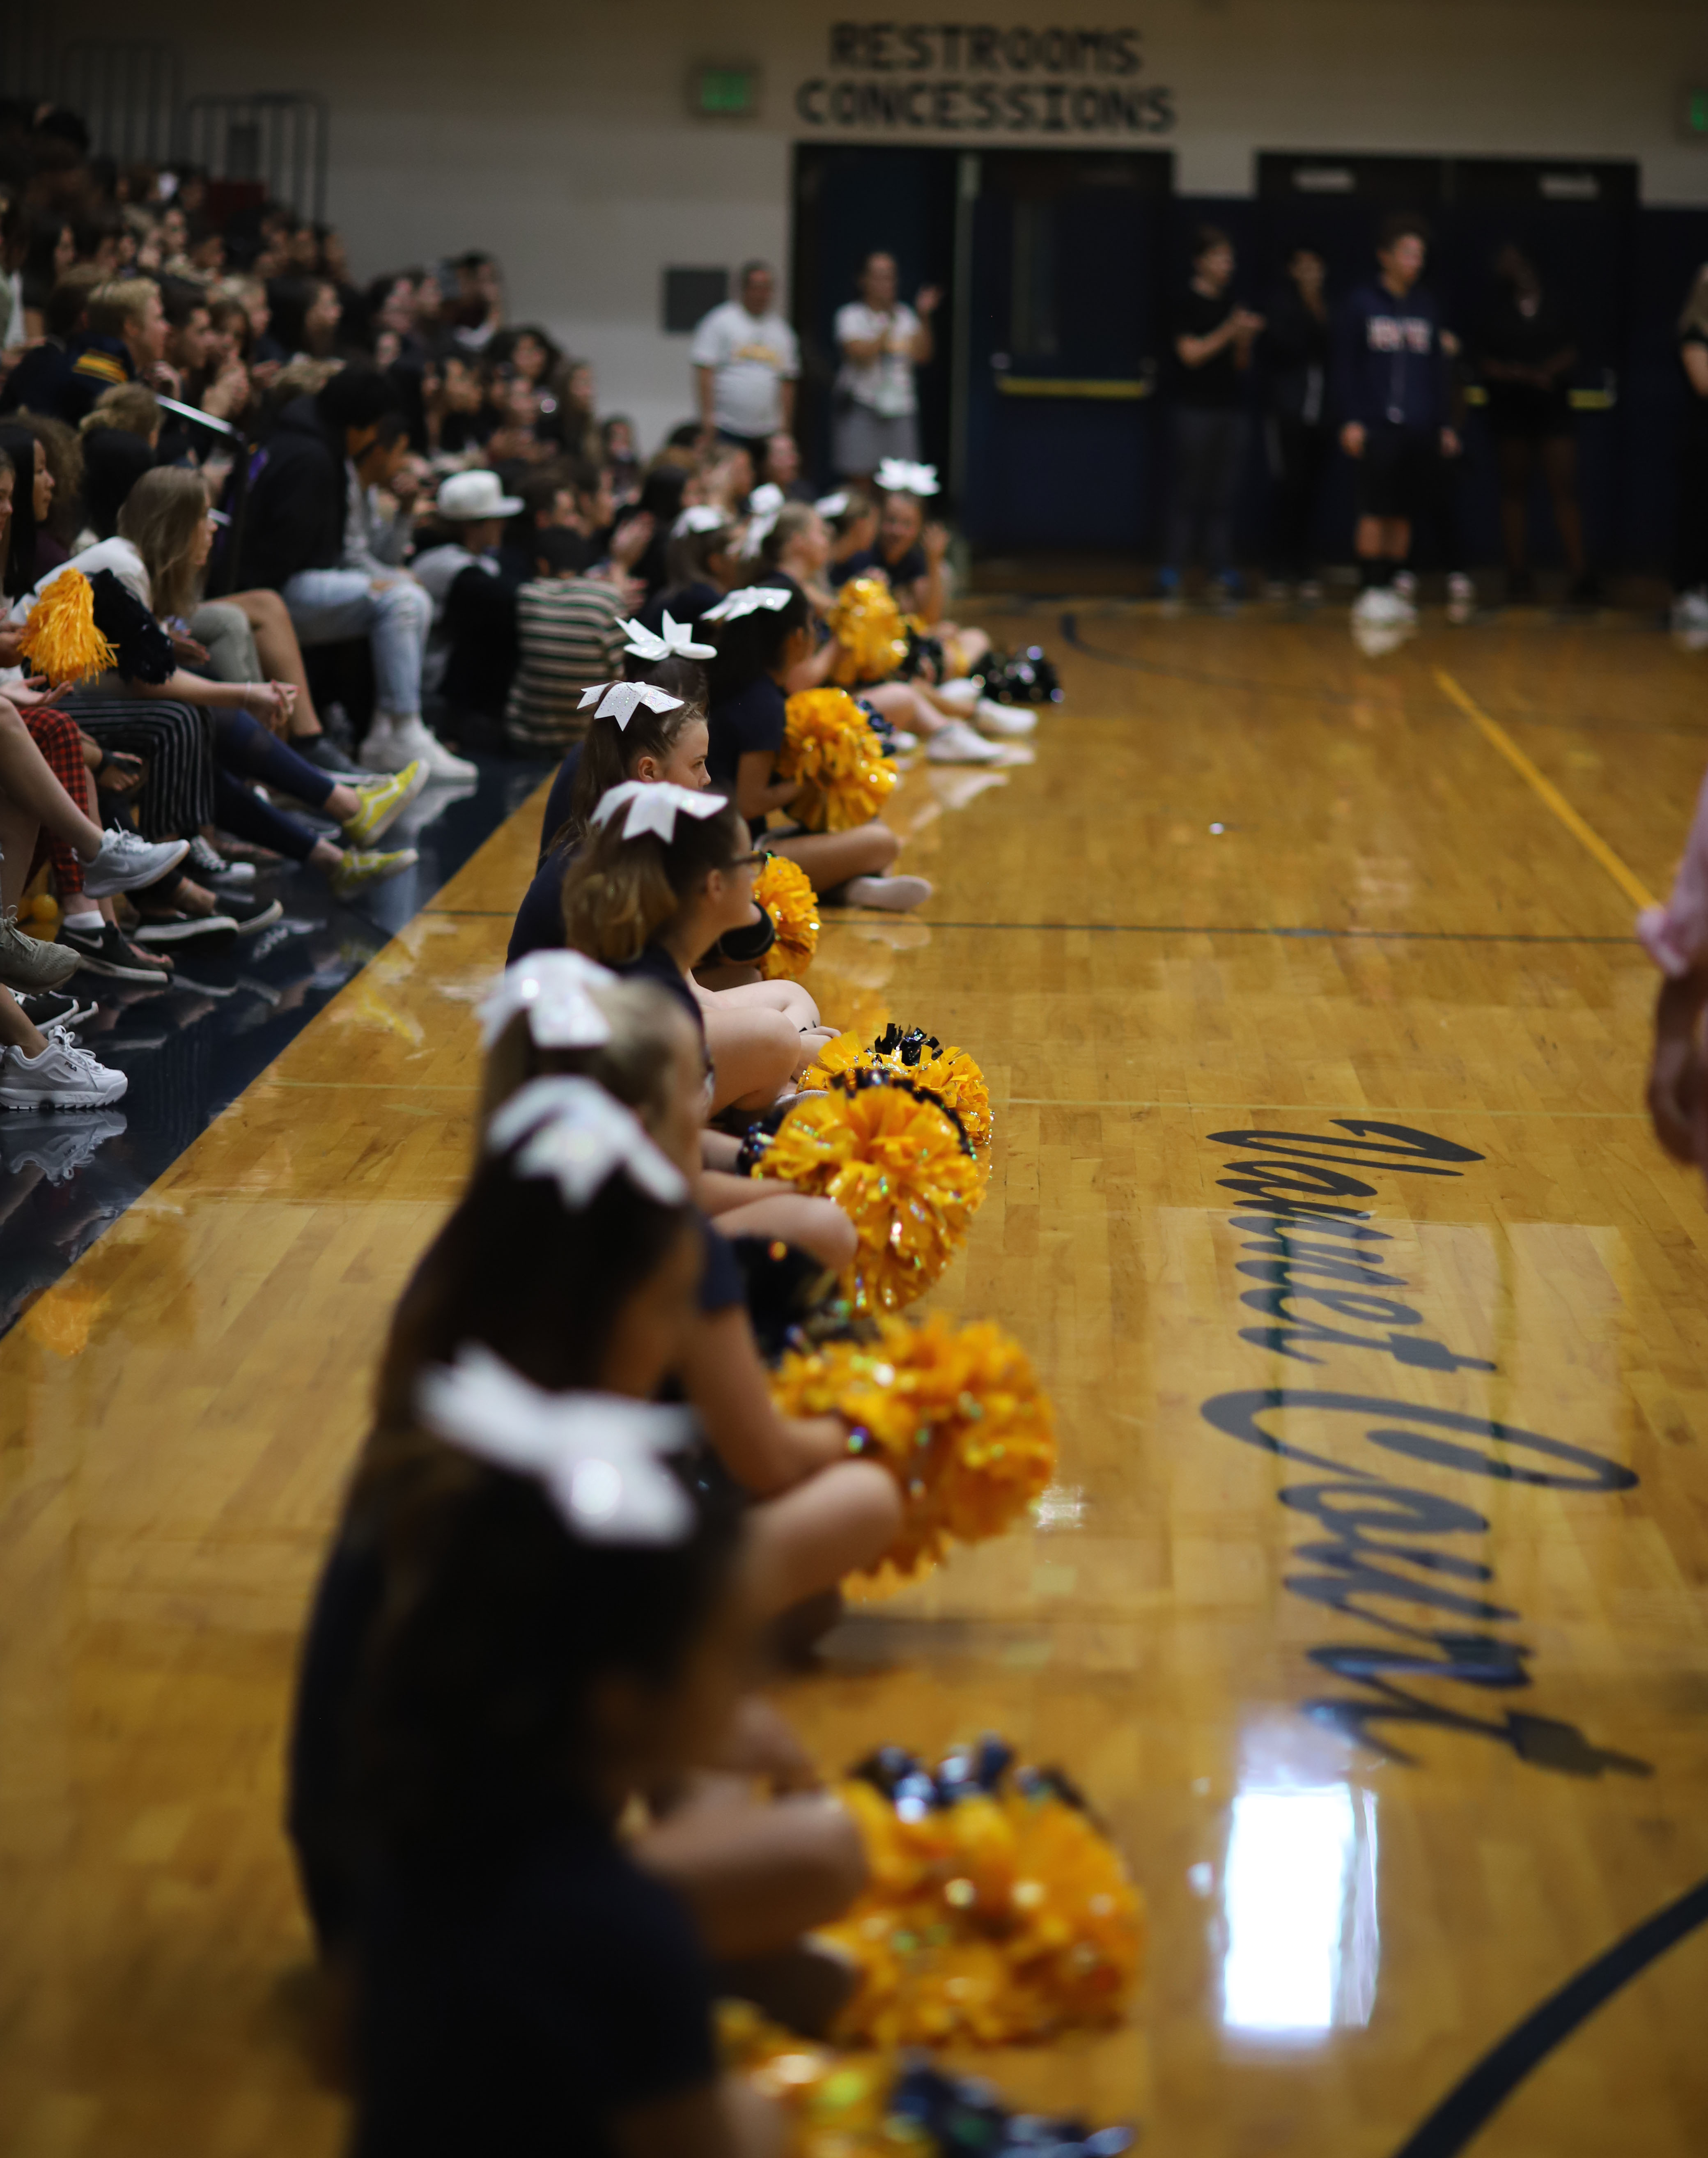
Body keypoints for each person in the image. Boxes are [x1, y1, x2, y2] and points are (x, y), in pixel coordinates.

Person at [234, 366, 472, 781]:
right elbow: (283, 559)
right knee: (402, 600)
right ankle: (400, 731)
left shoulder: (292, 437)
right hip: (268, 594)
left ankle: (388, 731)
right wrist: (366, 581)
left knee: (400, 593)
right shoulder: (312, 458)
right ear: (363, 428)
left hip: (274, 584)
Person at [702, 580, 930, 913]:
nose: (816, 635)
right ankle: (849, 887)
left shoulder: (740, 685)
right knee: (881, 842)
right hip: (737, 861)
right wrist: (810, 780)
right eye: (814, 626)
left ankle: (855, 887)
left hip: (724, 847)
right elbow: (750, 803)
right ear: (798, 638)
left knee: (861, 824)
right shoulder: (764, 704)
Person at [1335, 214, 1459, 631]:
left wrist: (1443, 423)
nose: (1414, 262)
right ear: (1384, 257)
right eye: (1407, 253)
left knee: (1403, 512)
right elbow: (1346, 367)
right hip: (1376, 425)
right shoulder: (1361, 304)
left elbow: (1436, 370)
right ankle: (1369, 589)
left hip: (1419, 427)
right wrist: (1351, 419)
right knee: (1375, 509)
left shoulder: (1426, 306)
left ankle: (1390, 587)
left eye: (1419, 255)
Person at [1476, 247, 1592, 608]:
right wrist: (1521, 375)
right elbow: (1483, 361)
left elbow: (1574, 349)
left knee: (1565, 489)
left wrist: (1546, 373)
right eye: (1507, 266)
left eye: (1521, 264)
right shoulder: (1495, 313)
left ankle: (1580, 576)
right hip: (1511, 410)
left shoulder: (1558, 306)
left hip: (1553, 409)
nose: (1516, 272)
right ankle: (1517, 575)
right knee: (1514, 492)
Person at [1158, 227, 1263, 607]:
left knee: (1224, 495)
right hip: (1194, 409)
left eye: (1230, 259)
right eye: (1219, 258)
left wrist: (1245, 340)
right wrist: (1228, 331)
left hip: (1230, 409)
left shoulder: (1233, 303)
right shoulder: (1185, 303)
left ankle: (1219, 567)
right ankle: (1174, 566)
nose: (1227, 266)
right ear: (1200, 262)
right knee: (1188, 492)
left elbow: (1241, 365)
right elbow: (1191, 354)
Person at [503, 527, 629, 756]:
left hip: (528, 738)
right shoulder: (607, 599)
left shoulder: (528, 595)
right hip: (589, 740)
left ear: (542, 565)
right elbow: (623, 673)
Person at [1260, 246, 1332, 603]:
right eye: (1304, 267)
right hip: (1288, 411)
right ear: (1291, 270)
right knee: (1288, 487)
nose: (1311, 273)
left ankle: (1304, 563)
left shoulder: (1328, 307)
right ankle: (1278, 563)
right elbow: (1287, 346)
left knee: (1311, 492)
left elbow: (1332, 350)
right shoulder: (1282, 305)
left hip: (1319, 413)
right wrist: (1307, 306)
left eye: (1316, 266)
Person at [832, 250, 940, 483]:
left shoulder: (906, 316)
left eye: (891, 276)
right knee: (860, 476)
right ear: (863, 280)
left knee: (902, 480)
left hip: (901, 407)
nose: (887, 283)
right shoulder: (851, 316)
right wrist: (887, 323)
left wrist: (924, 316)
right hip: (863, 405)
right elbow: (860, 355)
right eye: (880, 276)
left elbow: (924, 356)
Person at [690, 262, 799, 475]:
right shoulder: (720, 322)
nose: (762, 294)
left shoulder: (782, 332)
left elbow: (788, 381)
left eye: (767, 288)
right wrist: (707, 418)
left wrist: (785, 427)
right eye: (757, 287)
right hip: (727, 426)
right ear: (743, 289)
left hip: (767, 429)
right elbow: (705, 371)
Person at [1671, 265, 1708, 639]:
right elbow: (1703, 383)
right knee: (1699, 517)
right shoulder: (1695, 333)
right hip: (1704, 443)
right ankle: (1690, 592)